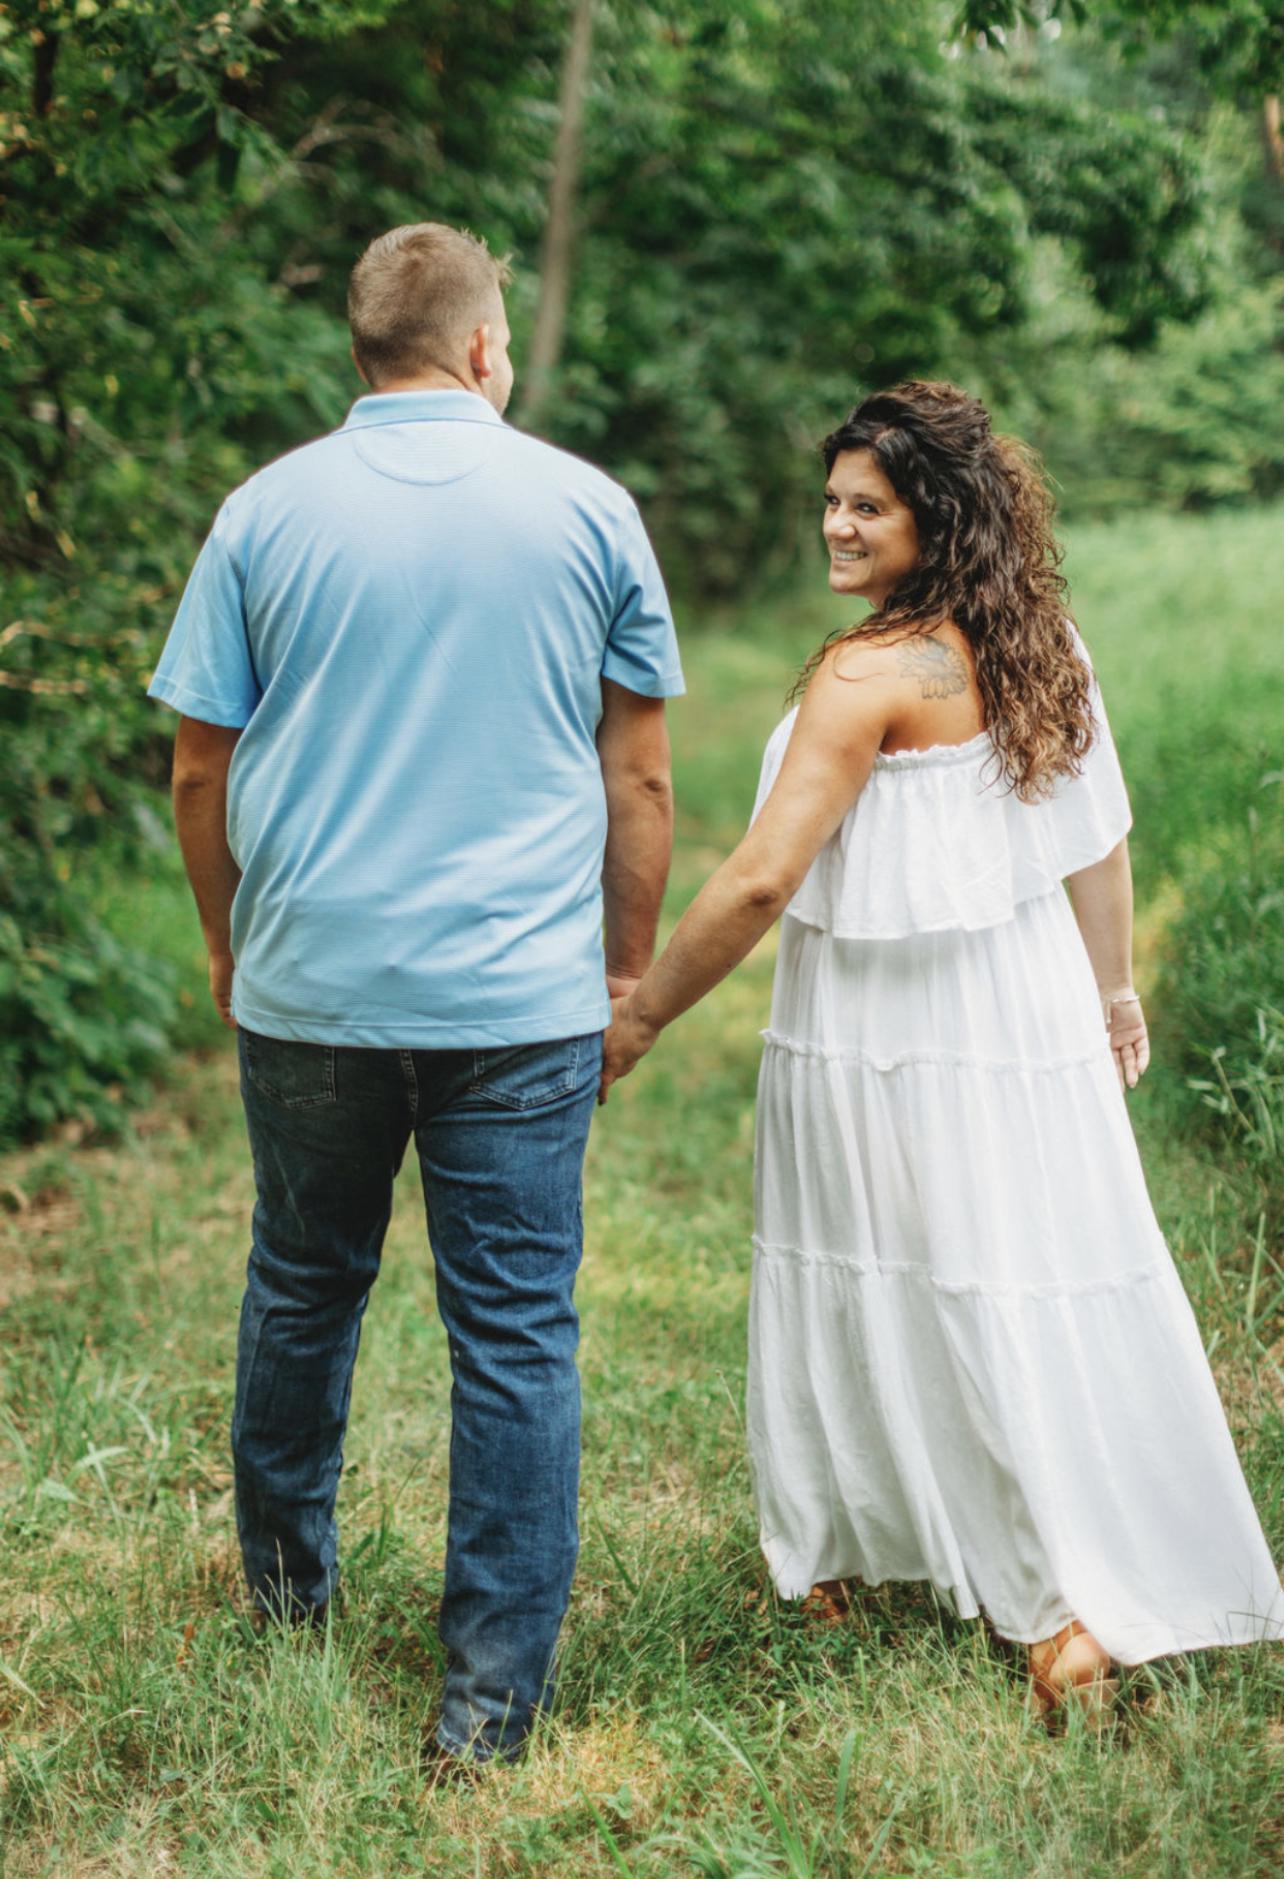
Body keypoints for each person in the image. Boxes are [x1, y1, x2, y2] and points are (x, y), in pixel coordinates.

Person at [601, 380, 1283, 1717]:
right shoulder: (1040, 643)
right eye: (832, 500)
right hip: (1023, 1012)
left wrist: (641, 1014)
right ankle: (939, 1555)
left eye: (869, 506)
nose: (836, 525)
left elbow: (760, 880)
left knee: (882, 1269)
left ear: (940, 516)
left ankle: (1017, 1600)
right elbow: (1098, 841)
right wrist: (1113, 991)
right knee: (1012, 1272)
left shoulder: (867, 676)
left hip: (883, 1029)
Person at [147, 222, 684, 1764]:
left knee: (303, 1283)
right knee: (513, 1328)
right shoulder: (586, 508)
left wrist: (231, 944)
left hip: (312, 982)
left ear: (365, 349)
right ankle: (490, 1706)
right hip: (521, 998)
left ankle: (284, 1609)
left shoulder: (263, 513)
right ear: (483, 348)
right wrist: (624, 968)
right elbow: (640, 775)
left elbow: (200, 769)